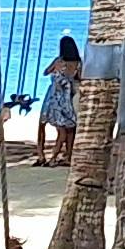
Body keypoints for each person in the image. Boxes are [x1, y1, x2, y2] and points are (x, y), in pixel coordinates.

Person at [38, 35, 83, 164]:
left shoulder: (58, 61)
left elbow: (46, 72)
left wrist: (55, 70)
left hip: (54, 95)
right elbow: (80, 78)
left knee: (46, 125)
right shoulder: (78, 63)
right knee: (68, 128)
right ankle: (67, 156)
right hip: (67, 95)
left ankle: (46, 156)